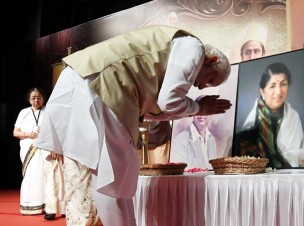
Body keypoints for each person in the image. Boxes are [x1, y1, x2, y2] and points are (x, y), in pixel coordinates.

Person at [34, 25, 231, 226]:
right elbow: (168, 101)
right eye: (210, 80)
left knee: (112, 178)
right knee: (113, 180)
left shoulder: (175, 56)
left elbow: (157, 111)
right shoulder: (193, 46)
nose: (201, 86)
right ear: (213, 60)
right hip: (100, 85)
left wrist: (197, 108)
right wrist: (199, 107)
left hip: (87, 82)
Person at [238, 63, 304, 168]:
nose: (278, 91)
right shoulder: (250, 124)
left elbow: (297, 155)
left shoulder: (293, 117)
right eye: (272, 86)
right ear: (262, 92)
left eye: (283, 84)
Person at [13, 87, 46, 215]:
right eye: (33, 98)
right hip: (28, 148)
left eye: (39, 97)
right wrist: (28, 134)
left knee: (44, 175)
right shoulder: (24, 112)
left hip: (44, 149)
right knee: (30, 175)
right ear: (29, 99)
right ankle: (29, 204)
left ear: (43, 99)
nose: (36, 100)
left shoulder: (48, 111)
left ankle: (45, 205)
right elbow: (15, 132)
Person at [170, 96, 217, 169]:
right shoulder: (181, 139)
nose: (201, 115)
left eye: (206, 111)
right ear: (193, 113)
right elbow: (178, 172)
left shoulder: (212, 139)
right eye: (199, 111)